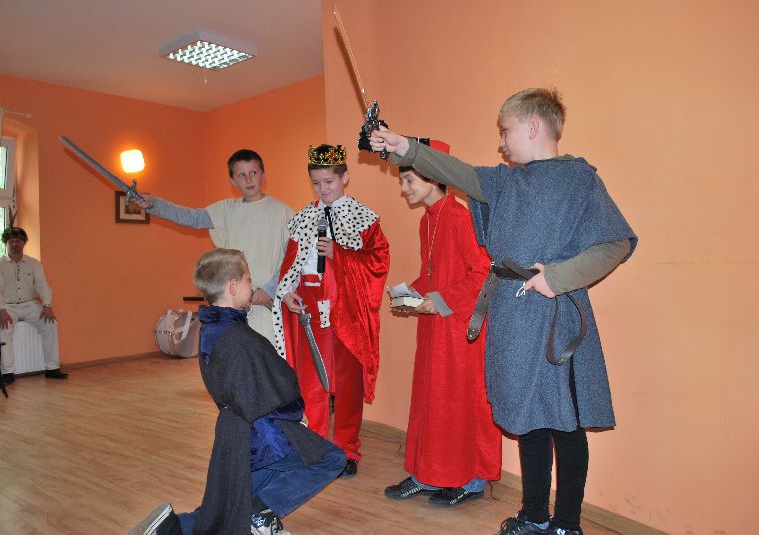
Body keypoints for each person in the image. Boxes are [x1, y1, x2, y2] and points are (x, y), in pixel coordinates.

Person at [370, 88, 637, 535]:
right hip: (513, 318)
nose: (500, 142)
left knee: (566, 426)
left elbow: (616, 242)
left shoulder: (579, 180)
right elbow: (457, 172)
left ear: (533, 127)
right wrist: (406, 147)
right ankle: (534, 515)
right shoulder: (504, 182)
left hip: (557, 317)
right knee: (527, 419)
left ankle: (566, 524)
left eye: (505, 131)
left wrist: (559, 277)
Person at [130, 249, 346, 535]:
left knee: (229, 506)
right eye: (248, 280)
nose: (250, 285)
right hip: (265, 434)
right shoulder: (239, 339)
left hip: (234, 431)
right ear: (233, 285)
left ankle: (170, 529)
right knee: (330, 459)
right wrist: (295, 413)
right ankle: (260, 515)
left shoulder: (211, 328)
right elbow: (260, 394)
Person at [383, 139, 502, 508]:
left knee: (461, 403)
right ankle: (426, 475)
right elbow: (432, 274)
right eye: (402, 182)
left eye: (409, 181)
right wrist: (409, 294)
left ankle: (472, 481)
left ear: (433, 178)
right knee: (431, 402)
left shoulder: (461, 217)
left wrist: (443, 300)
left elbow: (484, 274)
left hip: (461, 330)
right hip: (435, 329)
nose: (403, 189)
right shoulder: (427, 221)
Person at [273, 144, 390, 478]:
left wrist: (340, 254)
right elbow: (290, 265)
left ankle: (346, 450)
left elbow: (378, 262)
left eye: (329, 181)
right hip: (309, 306)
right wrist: (287, 293)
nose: (323, 189)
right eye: (316, 183)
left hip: (344, 309)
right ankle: (313, 446)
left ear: (345, 177)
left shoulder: (364, 218)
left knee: (347, 385)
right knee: (311, 382)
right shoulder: (302, 218)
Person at [135, 149, 294, 342]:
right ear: (233, 181)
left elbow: (292, 259)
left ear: (263, 174)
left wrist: (269, 289)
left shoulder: (284, 213)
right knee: (235, 351)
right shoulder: (225, 210)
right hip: (232, 304)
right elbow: (191, 217)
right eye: (241, 175)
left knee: (267, 352)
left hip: (269, 304)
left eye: (253, 172)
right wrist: (155, 204)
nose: (248, 179)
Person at [0, 227, 68, 382]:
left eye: (18, 241)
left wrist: (47, 305)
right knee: (2, 328)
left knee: (51, 323)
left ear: (24, 243)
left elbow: (42, 285)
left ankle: (52, 368)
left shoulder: (34, 263)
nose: (15, 244)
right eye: (11, 241)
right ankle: (7, 372)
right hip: (8, 306)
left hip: (30, 304)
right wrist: (1, 310)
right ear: (6, 243)